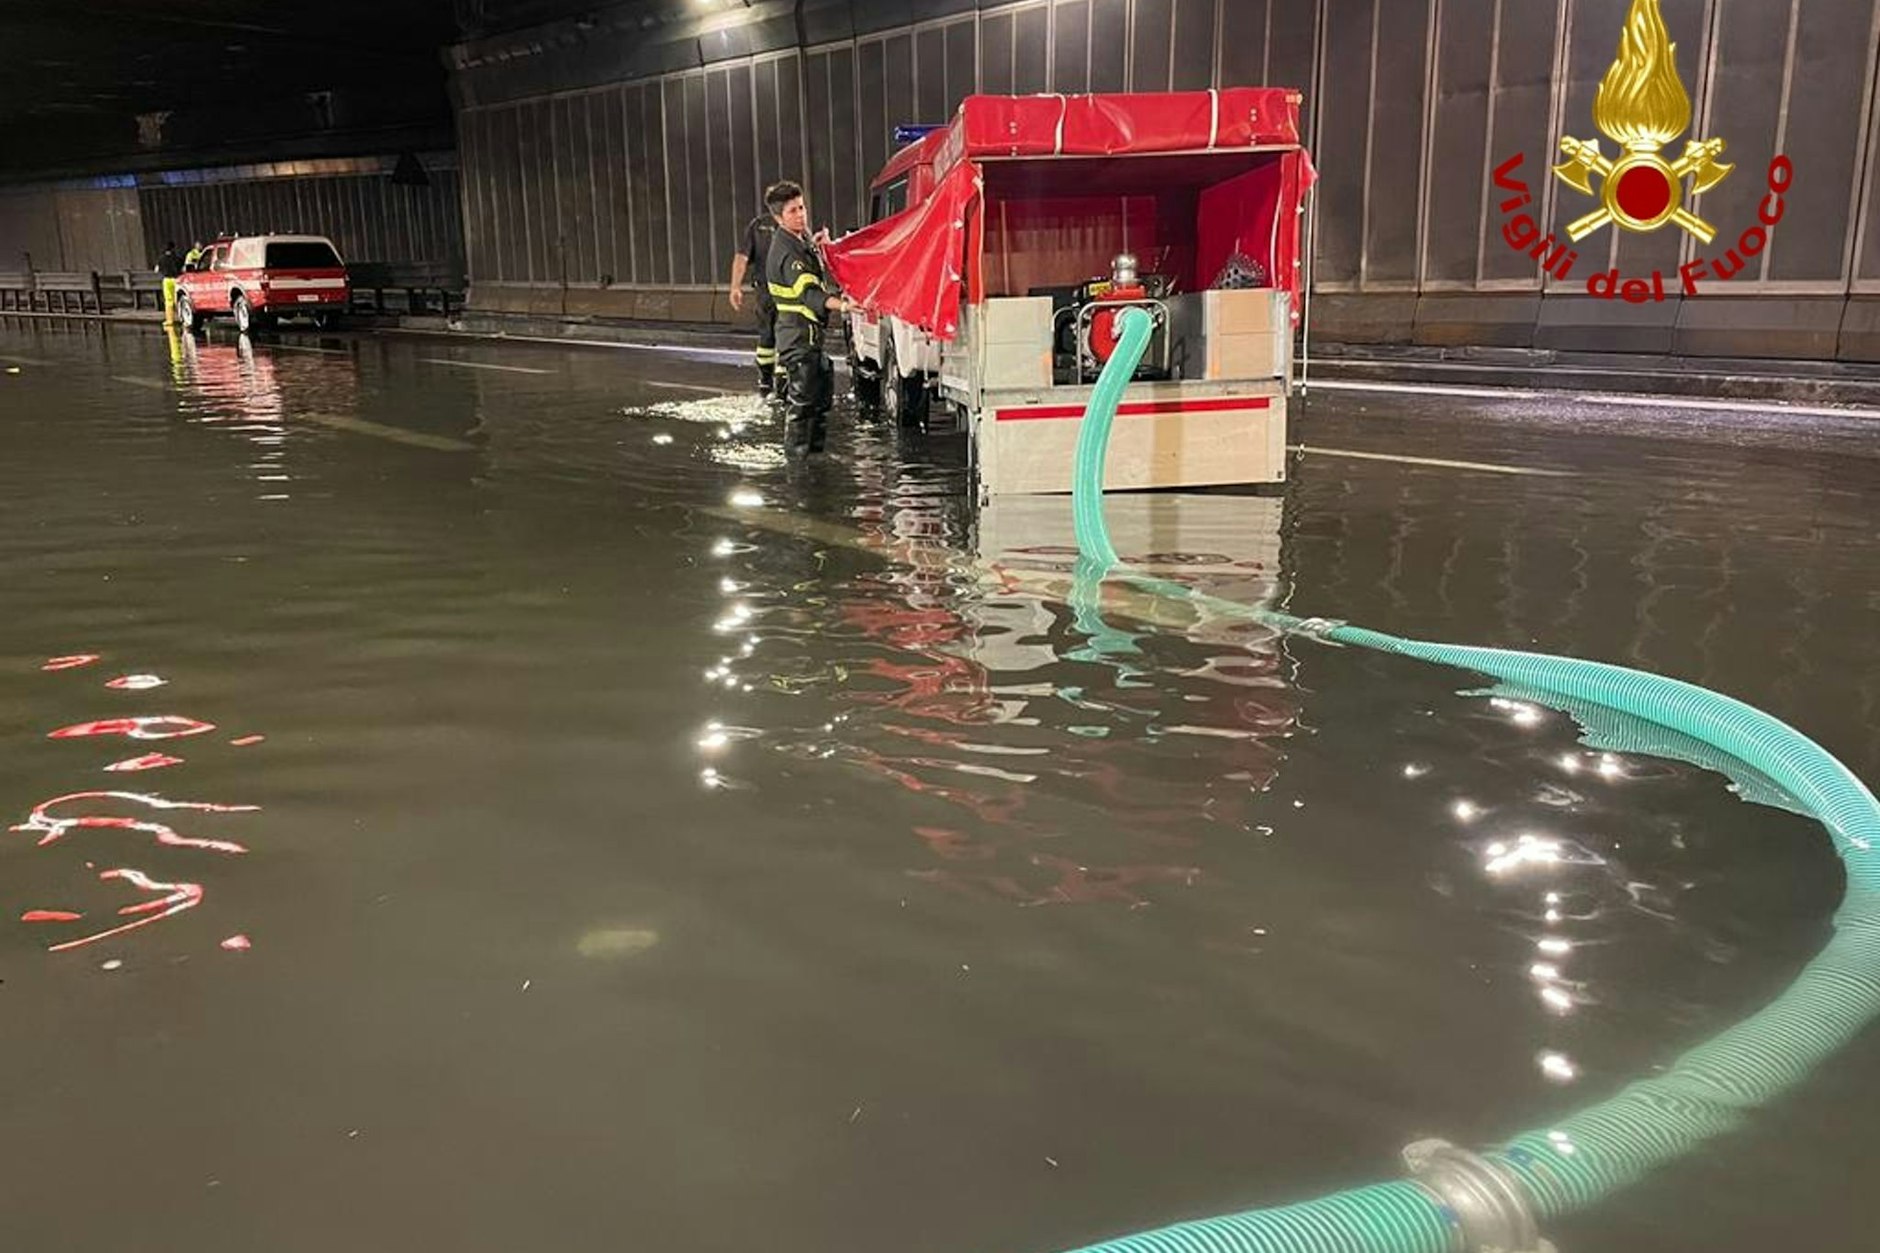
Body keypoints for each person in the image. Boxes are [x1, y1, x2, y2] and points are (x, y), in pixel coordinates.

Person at [765, 182, 847, 457]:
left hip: (808, 339)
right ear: (779, 217)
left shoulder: (799, 240)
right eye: (792, 211)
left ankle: (813, 460)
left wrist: (818, 246)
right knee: (802, 409)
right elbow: (809, 294)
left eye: (802, 207)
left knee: (820, 402)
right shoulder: (787, 251)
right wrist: (845, 305)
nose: (801, 215)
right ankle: (799, 472)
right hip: (798, 339)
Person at [729, 183, 793, 398]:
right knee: (786, 335)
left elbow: (742, 257)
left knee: (767, 337)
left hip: (765, 292)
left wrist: (735, 287)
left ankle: (766, 381)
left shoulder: (757, 226)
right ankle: (783, 384)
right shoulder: (791, 225)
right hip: (788, 292)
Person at [155, 242, 183, 325]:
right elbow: (182, 267)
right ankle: (182, 318)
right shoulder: (177, 258)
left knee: (168, 301)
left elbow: (157, 269)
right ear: (173, 248)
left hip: (167, 281)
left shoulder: (161, 259)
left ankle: (170, 320)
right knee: (177, 299)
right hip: (176, 280)